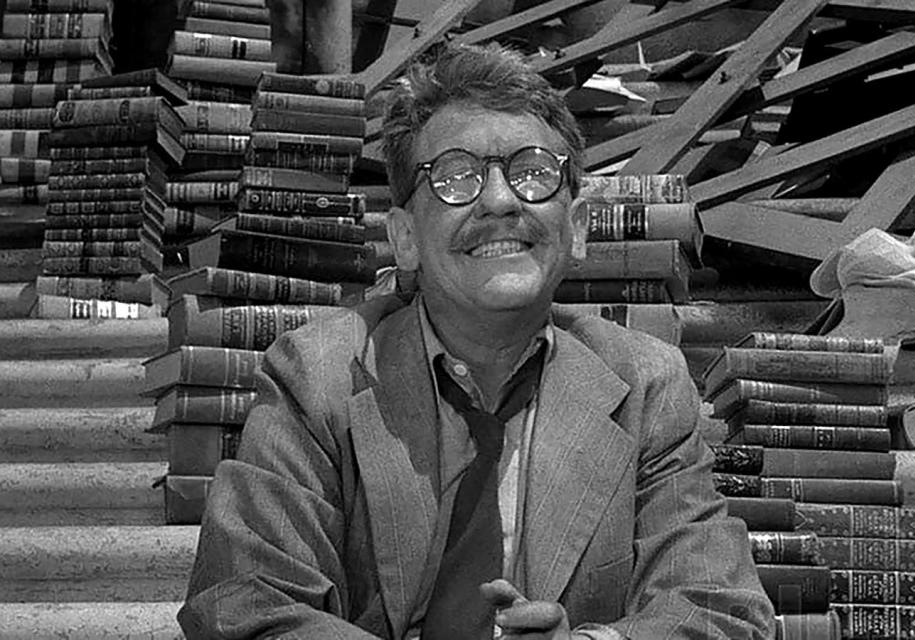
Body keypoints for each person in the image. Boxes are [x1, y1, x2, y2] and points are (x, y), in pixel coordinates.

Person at [179, 42, 775, 639]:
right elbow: (243, 601)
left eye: (533, 173)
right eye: (456, 177)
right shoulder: (318, 376)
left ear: (577, 230)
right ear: (405, 238)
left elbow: (720, 607)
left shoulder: (646, 385)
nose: (498, 201)